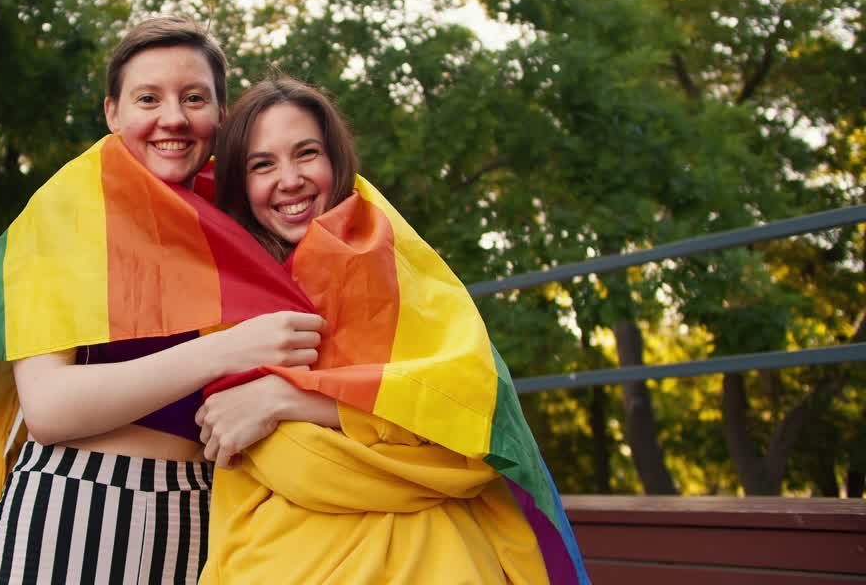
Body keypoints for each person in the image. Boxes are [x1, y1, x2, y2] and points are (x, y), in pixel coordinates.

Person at [0, 21, 325, 584]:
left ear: (222, 113)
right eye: (147, 98)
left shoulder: (246, 217)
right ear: (113, 113)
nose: (174, 118)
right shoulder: (68, 213)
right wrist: (228, 351)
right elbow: (48, 409)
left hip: (213, 516)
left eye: (194, 98)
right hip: (82, 502)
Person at [196, 76, 587, 584]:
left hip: (433, 551)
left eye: (306, 153)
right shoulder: (227, 293)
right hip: (284, 554)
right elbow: (260, 448)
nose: (288, 179)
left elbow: (472, 414)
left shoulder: (402, 273)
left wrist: (287, 399)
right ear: (238, 185)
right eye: (262, 164)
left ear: (337, 162)